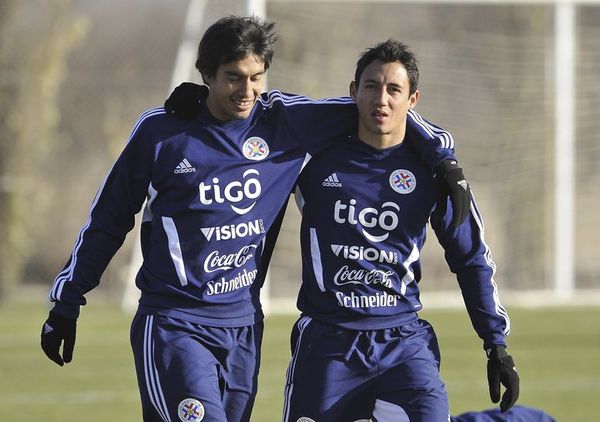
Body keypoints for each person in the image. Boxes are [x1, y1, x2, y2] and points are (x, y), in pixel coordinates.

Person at [39, 17, 468, 422]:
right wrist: (68, 300)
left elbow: (383, 108)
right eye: (233, 77)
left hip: (243, 327)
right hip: (174, 323)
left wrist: (442, 157)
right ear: (206, 74)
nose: (247, 90)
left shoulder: (284, 122)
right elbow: (109, 219)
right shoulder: (161, 133)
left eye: (256, 77)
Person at [281, 40, 519, 421]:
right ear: (353, 91)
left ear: (413, 99)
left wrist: (496, 343)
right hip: (328, 343)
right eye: (372, 86)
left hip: (402, 343)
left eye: (394, 89)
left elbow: (471, 256)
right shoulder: (312, 159)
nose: (382, 99)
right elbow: (256, 116)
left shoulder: (435, 174)